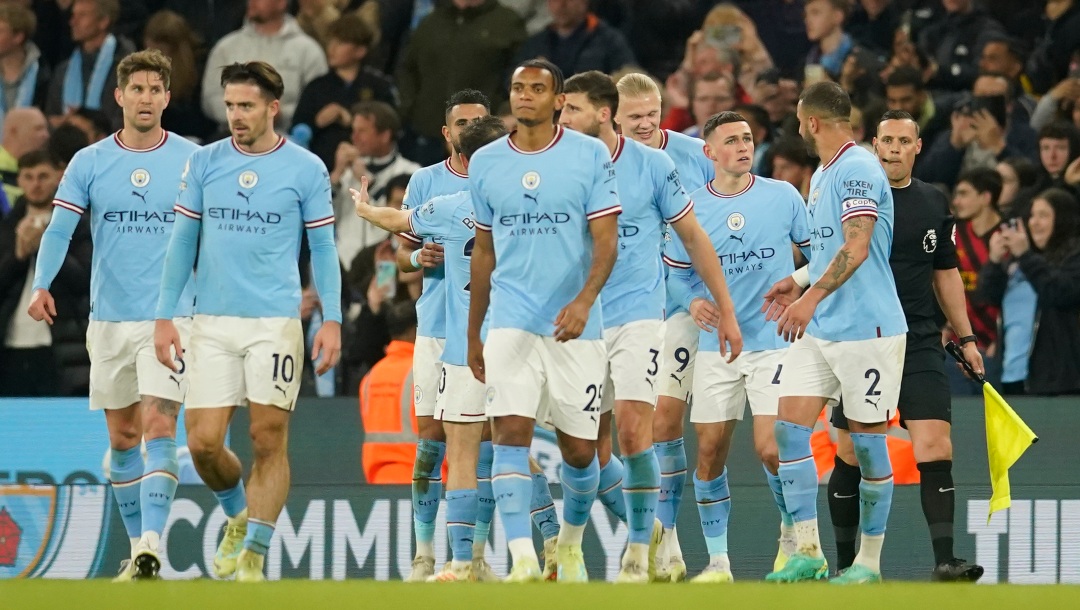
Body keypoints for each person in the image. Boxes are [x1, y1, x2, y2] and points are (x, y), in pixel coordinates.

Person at [153, 61, 342, 583]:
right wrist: (165, 315)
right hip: (210, 321)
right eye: (230, 105)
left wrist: (333, 318)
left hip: (274, 322)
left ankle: (254, 559)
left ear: (272, 108)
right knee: (204, 444)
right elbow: (181, 244)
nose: (236, 115)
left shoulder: (305, 168)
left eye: (247, 106)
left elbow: (323, 248)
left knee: (266, 438)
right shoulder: (205, 162)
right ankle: (238, 514)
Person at [558, 71, 739, 583]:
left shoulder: (660, 163)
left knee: (638, 432)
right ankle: (642, 538)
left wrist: (722, 306)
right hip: (581, 319)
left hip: (643, 314)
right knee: (584, 447)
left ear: (599, 112)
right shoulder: (560, 167)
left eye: (569, 109)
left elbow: (697, 236)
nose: (562, 118)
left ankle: (640, 550)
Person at [28, 49, 200, 581]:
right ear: (119, 96)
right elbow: (58, 229)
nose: (146, 98)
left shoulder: (197, 159)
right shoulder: (89, 161)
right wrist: (41, 284)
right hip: (109, 319)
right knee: (123, 438)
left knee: (158, 424)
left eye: (155, 89)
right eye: (137, 89)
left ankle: (153, 539)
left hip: (171, 318)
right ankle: (139, 553)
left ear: (167, 98)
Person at [466, 58, 618, 583]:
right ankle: (525, 560)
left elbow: (606, 241)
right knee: (508, 432)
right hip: (510, 318)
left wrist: (584, 300)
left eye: (537, 88)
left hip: (574, 324)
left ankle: (570, 546)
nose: (524, 95)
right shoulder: (486, 162)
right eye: (517, 87)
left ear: (558, 100)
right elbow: (482, 252)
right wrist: (474, 332)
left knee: (579, 451)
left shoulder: (588, 155)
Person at [827, 110, 986, 582]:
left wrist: (968, 336)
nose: (894, 148)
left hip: (918, 340)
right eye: (887, 140)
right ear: (873, 144)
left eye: (904, 141)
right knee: (852, 452)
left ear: (917, 147)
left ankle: (944, 560)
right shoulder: (851, 198)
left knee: (936, 444)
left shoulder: (934, 200)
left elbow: (946, 273)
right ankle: (844, 564)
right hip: (862, 337)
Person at [352, 114, 511, 582]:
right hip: (501, 340)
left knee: (475, 452)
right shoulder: (529, 206)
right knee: (511, 452)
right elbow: (402, 253)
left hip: (470, 343)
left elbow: (394, 219)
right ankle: (457, 556)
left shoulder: (451, 205)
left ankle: (468, 559)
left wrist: (363, 209)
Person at [761, 81, 906, 584]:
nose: (799, 128)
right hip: (823, 325)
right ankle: (808, 551)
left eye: (800, 121)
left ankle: (869, 562)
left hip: (868, 326)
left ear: (813, 121)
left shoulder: (860, 167)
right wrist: (797, 279)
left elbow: (858, 246)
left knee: (866, 443)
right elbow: (830, 251)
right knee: (789, 429)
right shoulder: (824, 171)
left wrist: (808, 298)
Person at [663, 110, 809, 582]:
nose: (743, 147)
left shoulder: (782, 196)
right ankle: (720, 562)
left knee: (772, 448)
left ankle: (792, 537)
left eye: (747, 138)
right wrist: (692, 302)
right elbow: (676, 272)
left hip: (772, 341)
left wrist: (799, 285)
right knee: (709, 450)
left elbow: (817, 252)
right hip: (715, 347)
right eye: (731, 141)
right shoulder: (689, 208)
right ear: (709, 153)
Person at [614, 71, 715, 582]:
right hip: (628, 311)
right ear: (614, 117)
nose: (646, 125)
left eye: (653, 115)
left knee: (669, 421)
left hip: (685, 310)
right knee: (649, 428)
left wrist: (698, 296)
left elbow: (707, 229)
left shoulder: (696, 153)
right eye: (635, 119)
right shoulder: (599, 161)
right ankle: (665, 543)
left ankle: (667, 539)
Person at [389, 88, 486, 583]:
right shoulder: (425, 181)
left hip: (490, 332)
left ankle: (475, 554)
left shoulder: (503, 180)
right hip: (436, 326)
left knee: (485, 443)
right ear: (447, 132)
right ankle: (424, 550)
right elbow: (399, 251)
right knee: (431, 440)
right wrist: (416, 258)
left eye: (478, 121)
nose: (470, 129)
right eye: (461, 122)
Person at [0, 150, 87, 397]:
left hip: (61, 345)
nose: (35, 184)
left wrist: (46, 248)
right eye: (28, 177)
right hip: (12, 344)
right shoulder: (7, 226)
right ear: (19, 181)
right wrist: (17, 256)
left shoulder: (78, 224)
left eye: (42, 176)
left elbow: (85, 279)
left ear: (59, 177)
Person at [980, 188, 1080, 395]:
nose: (1034, 222)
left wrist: (1025, 255)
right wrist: (995, 262)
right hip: (1009, 375)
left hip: (1055, 380)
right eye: (1033, 215)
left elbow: (1060, 293)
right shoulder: (1019, 261)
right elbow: (987, 296)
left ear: (1062, 219)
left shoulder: (1073, 257)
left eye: (1044, 215)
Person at [199, 0, 328, 133]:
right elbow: (210, 98)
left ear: (281, 3)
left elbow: (318, 101)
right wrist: (244, 114)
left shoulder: (308, 50)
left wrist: (279, 114)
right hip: (231, 138)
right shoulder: (226, 47)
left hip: (287, 139)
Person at [44, 0, 136, 131]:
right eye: (73, 15)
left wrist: (91, 126)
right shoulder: (63, 71)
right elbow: (51, 118)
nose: (72, 22)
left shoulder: (129, 68)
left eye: (82, 15)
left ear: (103, 21)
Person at [358, 300, 420, 484]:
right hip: (426, 484)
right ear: (415, 330)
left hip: (378, 482)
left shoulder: (370, 378)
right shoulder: (427, 373)